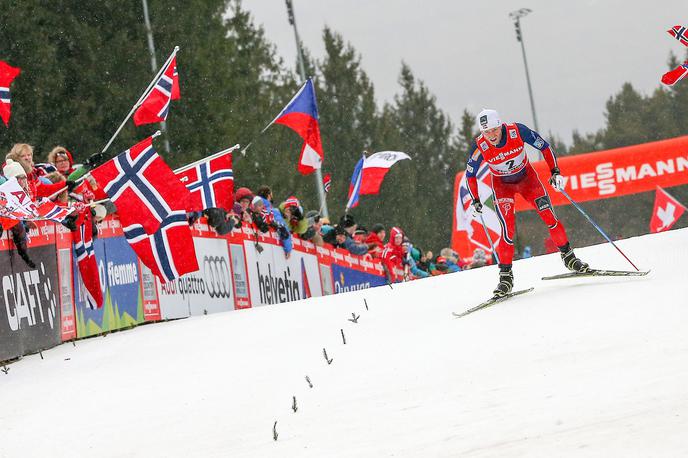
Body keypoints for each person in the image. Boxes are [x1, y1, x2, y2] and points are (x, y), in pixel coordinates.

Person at [466, 109, 589, 297]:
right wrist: (475, 199)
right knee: (507, 231)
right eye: (486, 132)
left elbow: (544, 147)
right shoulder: (480, 145)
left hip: (528, 181)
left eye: (494, 130)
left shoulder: (518, 131)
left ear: (500, 125)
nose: (491, 135)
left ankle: (569, 258)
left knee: (549, 217)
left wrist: (555, 172)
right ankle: (505, 278)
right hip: (502, 186)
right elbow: (470, 174)